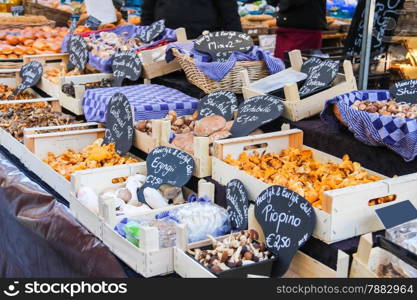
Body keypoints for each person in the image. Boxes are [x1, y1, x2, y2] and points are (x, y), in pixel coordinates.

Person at [141, 0, 243, 39]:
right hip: (162, 47)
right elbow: (147, 13)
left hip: (204, 47)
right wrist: (143, 40)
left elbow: (230, 15)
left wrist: (239, 44)